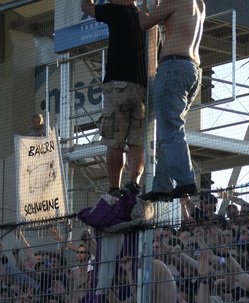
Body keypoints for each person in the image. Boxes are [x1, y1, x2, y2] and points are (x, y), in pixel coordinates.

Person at [139, 0, 206, 202]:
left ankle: (185, 180)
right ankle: (162, 185)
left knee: (170, 129)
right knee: (167, 129)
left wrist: (144, 4)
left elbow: (144, 22)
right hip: (192, 69)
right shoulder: (199, 4)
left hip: (173, 67)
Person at [81, 0, 147, 198]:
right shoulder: (145, 17)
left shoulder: (116, 11)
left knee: (115, 141)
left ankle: (114, 189)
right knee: (136, 141)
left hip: (117, 84)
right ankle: (134, 183)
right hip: (141, 87)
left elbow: (86, 7)